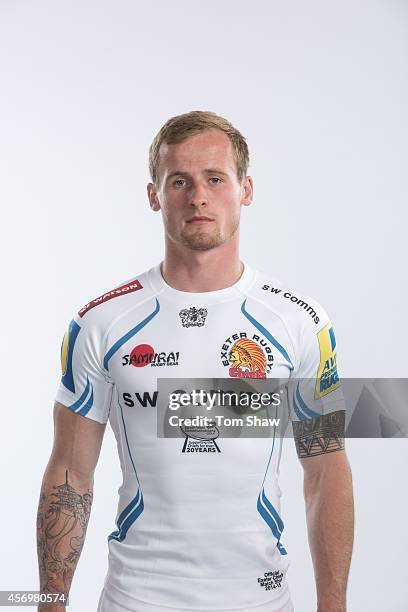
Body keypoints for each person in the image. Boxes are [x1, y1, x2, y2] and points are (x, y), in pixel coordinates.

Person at [36, 111, 354, 612]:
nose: (198, 196)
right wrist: (49, 603)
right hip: (135, 600)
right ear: (153, 195)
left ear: (246, 189)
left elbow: (325, 468)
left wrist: (333, 604)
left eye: (214, 178)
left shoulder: (300, 322)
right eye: (178, 180)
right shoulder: (101, 323)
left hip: (261, 602)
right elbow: (71, 474)